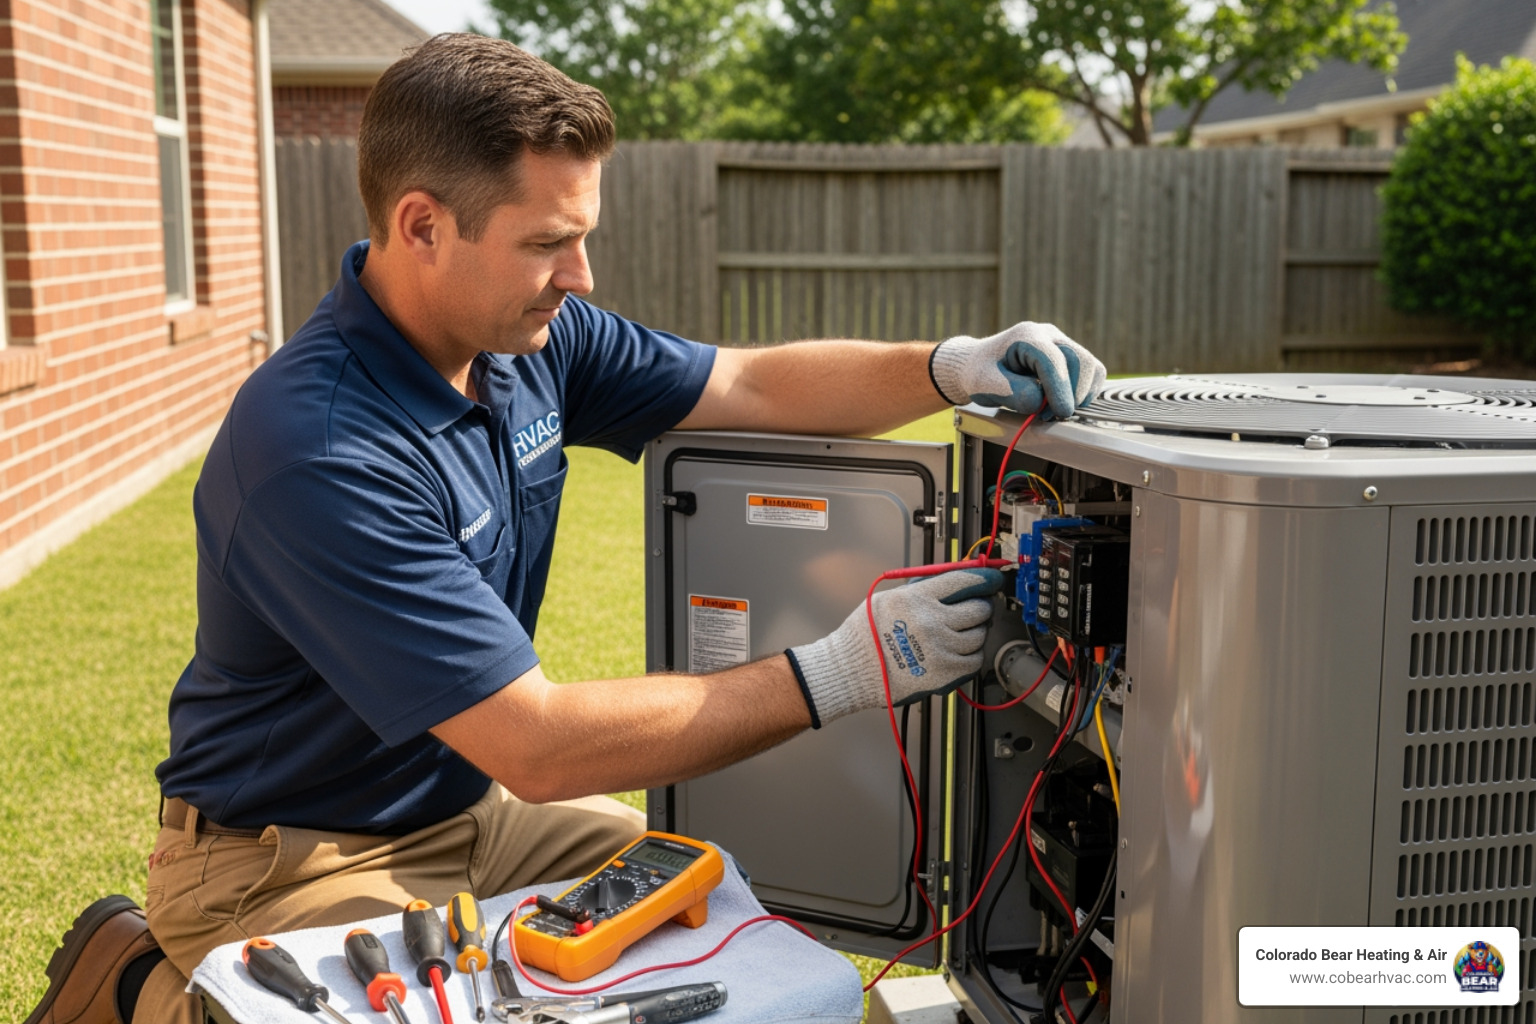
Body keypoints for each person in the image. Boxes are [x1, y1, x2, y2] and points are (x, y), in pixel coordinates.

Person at [24, 33, 1104, 1024]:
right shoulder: (321, 447)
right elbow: (536, 744)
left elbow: (747, 382)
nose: (581, 276)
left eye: (582, 237)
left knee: (746, 939)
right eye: (549, 242)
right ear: (421, 225)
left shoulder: (534, 341)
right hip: (288, 858)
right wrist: (847, 669)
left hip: (469, 816)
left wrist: (942, 364)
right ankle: (145, 990)